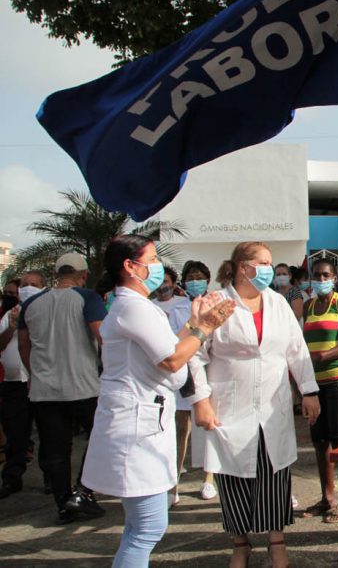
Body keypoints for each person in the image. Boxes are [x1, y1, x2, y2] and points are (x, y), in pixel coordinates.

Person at [81, 234, 234, 566]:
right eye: (151, 260)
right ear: (130, 267)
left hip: (143, 422)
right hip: (135, 429)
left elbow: (169, 346)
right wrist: (205, 327)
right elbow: (172, 360)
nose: (157, 267)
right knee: (148, 528)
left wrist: (195, 322)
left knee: (140, 526)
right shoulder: (133, 307)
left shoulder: (137, 307)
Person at [190, 241, 320, 568]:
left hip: (273, 404)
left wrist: (309, 390)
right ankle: (240, 543)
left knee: (274, 471)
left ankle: (277, 542)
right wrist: (201, 401)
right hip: (229, 405)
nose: (267, 269)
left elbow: (296, 350)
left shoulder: (277, 303)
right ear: (242, 267)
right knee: (233, 477)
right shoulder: (217, 303)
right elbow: (194, 355)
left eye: (270, 263)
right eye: (261, 263)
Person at [17, 254, 106, 524]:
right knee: (102, 439)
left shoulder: (32, 303)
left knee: (55, 449)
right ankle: (82, 493)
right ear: (83, 275)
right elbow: (103, 336)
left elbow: (24, 345)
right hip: (84, 386)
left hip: (45, 390)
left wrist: (34, 373)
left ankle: (63, 503)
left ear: (56, 274)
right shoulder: (88, 298)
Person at [301, 259, 338, 524]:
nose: (321, 280)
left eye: (326, 275)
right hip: (314, 383)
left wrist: (322, 356)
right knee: (319, 440)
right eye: (317, 275)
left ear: (334, 278)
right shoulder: (309, 305)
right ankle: (327, 497)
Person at [149, 265, 196, 508]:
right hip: (154, 379)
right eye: (159, 281)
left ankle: (173, 485)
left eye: (167, 280)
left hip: (181, 373)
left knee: (181, 432)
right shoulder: (146, 307)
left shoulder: (186, 305)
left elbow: (191, 338)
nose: (162, 285)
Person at [180, 260, 219, 502]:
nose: (195, 281)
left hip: (207, 368)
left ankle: (209, 478)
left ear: (208, 279)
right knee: (181, 429)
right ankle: (174, 481)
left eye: (199, 276)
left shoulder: (217, 302)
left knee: (210, 426)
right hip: (181, 369)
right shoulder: (176, 306)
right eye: (191, 277)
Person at [0, 277, 31, 499]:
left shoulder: (40, 312)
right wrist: (11, 327)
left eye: (15, 292)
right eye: (7, 293)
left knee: (49, 434)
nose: (11, 297)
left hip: (37, 381)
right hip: (12, 384)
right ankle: (12, 477)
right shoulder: (7, 316)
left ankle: (53, 478)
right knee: (15, 434)